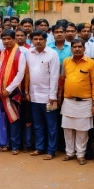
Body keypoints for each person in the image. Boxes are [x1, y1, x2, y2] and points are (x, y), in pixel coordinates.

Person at [59, 39, 94, 165]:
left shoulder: (91, 63)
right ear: (71, 49)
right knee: (68, 129)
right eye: (74, 47)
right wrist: (59, 96)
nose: (77, 49)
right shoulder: (66, 61)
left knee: (82, 130)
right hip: (68, 101)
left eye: (79, 47)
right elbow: (62, 79)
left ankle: (80, 155)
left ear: (84, 48)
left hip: (85, 102)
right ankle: (69, 153)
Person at [26, 30, 60, 160]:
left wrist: (53, 96)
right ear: (32, 40)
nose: (38, 41)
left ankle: (51, 150)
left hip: (49, 98)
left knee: (51, 125)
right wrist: (27, 92)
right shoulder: (30, 53)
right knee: (38, 125)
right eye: (35, 39)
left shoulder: (52, 54)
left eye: (41, 39)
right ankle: (39, 148)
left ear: (46, 40)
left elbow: (54, 76)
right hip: (34, 97)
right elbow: (28, 74)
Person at [0, 30, 26, 154]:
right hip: (1, 91)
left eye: (9, 39)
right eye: (4, 39)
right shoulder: (3, 53)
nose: (6, 41)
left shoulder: (20, 54)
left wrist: (8, 89)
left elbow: (20, 74)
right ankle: (4, 144)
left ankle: (15, 146)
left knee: (13, 119)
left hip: (13, 92)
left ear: (14, 39)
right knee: (2, 119)